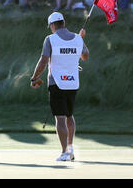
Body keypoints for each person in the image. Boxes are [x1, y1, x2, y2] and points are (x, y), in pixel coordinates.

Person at [30, 12, 89, 162]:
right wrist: (81, 41)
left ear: (52, 25)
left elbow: (43, 62)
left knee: (60, 118)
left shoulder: (50, 39)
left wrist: (34, 77)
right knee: (69, 116)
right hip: (73, 83)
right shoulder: (77, 38)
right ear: (63, 22)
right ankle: (70, 148)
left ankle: (64, 153)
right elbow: (85, 56)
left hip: (57, 83)